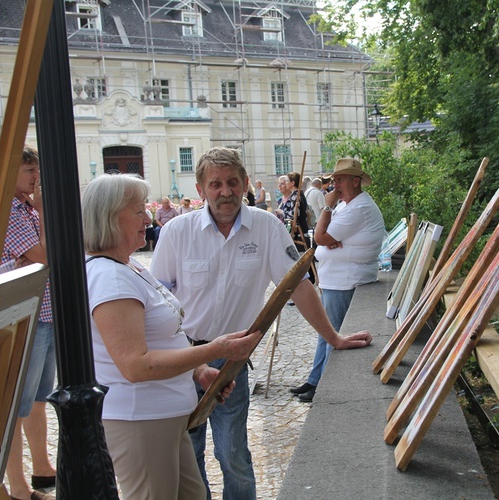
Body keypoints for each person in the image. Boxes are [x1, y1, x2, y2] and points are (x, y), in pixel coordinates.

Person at [150, 147, 372, 500]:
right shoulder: (177, 232)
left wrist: (334, 338)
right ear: (200, 189)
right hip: (184, 361)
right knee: (187, 458)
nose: (225, 191)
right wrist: (184, 361)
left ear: (245, 184)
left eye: (232, 182)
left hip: (231, 365)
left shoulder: (266, 227)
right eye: (216, 184)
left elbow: (298, 286)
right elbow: (157, 304)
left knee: (233, 454)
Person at [82, 173, 260, 499]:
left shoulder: (128, 267)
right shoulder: (110, 278)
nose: (147, 218)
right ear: (109, 218)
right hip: (142, 419)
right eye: (137, 211)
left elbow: (165, 337)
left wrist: (198, 372)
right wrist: (213, 350)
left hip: (166, 416)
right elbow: (136, 365)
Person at [290, 158, 384, 403]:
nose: (334, 186)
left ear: (356, 181)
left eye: (340, 180)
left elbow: (320, 237)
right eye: (333, 180)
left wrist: (327, 210)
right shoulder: (348, 204)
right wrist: (328, 235)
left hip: (346, 281)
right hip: (336, 280)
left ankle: (323, 388)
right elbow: (324, 237)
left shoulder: (358, 207)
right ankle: (315, 380)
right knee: (325, 331)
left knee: (333, 335)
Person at [0, 146, 57, 500]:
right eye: (29, 171)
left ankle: (41, 466)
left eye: (37, 169)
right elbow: (46, 253)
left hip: (46, 313)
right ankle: (17, 486)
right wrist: (42, 212)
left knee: (38, 398)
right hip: (26, 317)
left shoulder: (30, 210)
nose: (36, 177)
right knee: (16, 406)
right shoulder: (14, 211)